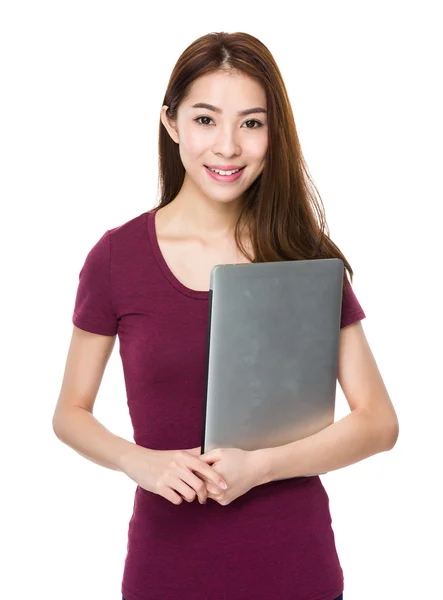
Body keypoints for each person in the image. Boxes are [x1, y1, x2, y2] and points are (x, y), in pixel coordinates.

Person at [52, 31, 399, 600]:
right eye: (206, 120)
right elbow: (70, 412)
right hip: (166, 572)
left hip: (297, 571)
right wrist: (137, 461)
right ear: (171, 124)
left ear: (273, 133)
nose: (229, 147)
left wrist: (260, 467)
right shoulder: (117, 258)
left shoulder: (303, 255)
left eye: (252, 123)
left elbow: (378, 423)